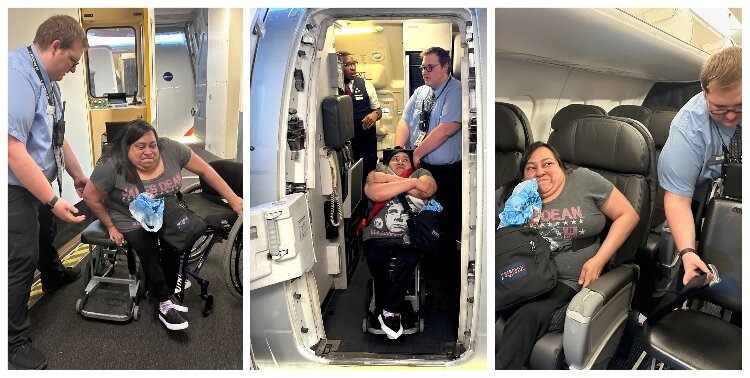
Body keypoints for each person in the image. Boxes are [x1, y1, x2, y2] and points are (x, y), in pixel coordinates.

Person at [82, 120, 243, 331]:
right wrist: (111, 226)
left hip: (164, 207)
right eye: (140, 146)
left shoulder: (171, 149)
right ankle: (164, 303)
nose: (148, 151)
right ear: (127, 147)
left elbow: (207, 171)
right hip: (129, 215)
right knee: (148, 250)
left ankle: (164, 292)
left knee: (175, 243)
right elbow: (90, 197)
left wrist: (233, 199)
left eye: (152, 145)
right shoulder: (112, 166)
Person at [496, 142, 639, 369]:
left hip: (566, 280)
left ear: (562, 167)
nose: (539, 171)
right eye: (531, 168)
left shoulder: (584, 180)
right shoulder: (515, 195)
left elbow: (627, 215)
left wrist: (599, 260)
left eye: (547, 164)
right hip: (524, 275)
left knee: (527, 314)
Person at [8, 15, 90, 370]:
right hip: (15, 187)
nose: (73, 69)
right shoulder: (17, 75)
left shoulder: (48, 80)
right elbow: (12, 149)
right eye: (72, 60)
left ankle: (53, 274)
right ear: (55, 46)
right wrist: (54, 200)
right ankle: (12, 343)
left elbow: (57, 134)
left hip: (39, 182)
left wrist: (77, 175)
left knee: (47, 236)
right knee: (21, 258)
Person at [659, 46, 740, 286]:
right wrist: (687, 252)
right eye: (720, 109)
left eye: (739, 107)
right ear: (704, 92)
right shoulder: (687, 129)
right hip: (702, 192)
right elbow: (677, 199)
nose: (730, 117)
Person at [361, 148, 437, 339]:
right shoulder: (376, 172)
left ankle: (387, 309)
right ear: (387, 164)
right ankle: (389, 308)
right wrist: (412, 184)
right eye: (395, 159)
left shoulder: (421, 173)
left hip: (409, 235)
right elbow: (376, 193)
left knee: (409, 257)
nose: (401, 162)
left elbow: (427, 189)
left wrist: (389, 181)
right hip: (377, 234)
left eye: (405, 159)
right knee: (376, 256)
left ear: (413, 165)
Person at [395, 46, 461, 249]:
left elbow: (446, 129)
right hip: (422, 168)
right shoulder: (421, 92)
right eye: (423, 67)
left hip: (446, 173)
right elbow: (405, 121)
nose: (424, 72)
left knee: (444, 224)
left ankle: (444, 270)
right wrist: (399, 151)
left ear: (445, 67)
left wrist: (415, 153)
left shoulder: (456, 91)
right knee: (422, 218)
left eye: (430, 67)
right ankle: (422, 258)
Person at [338, 51, 382, 184]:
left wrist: (374, 115)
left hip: (365, 142)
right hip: (343, 144)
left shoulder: (366, 85)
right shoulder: (330, 88)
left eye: (354, 64)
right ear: (338, 67)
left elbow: (378, 111)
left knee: (367, 177)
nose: (353, 67)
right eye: (348, 64)